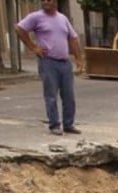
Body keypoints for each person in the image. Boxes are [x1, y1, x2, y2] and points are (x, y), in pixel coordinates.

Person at [16, 0, 85, 136]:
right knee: (51, 95)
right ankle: (54, 125)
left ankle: (68, 124)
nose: (46, 2)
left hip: (64, 62)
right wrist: (33, 47)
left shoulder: (62, 18)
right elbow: (19, 28)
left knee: (69, 96)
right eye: (44, 0)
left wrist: (78, 57)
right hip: (48, 62)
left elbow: (73, 38)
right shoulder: (36, 17)